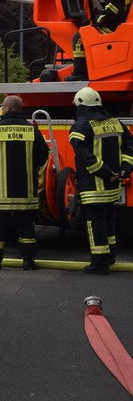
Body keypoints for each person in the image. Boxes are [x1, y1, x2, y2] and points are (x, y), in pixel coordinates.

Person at [0, 95, 49, 270]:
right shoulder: (32, 130)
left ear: (8, 108)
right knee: (27, 229)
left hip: (1, 192)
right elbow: (42, 157)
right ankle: (29, 261)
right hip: (26, 191)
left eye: (3, 106)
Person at [69, 86, 133, 274]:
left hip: (93, 186)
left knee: (95, 223)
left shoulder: (80, 127)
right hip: (113, 185)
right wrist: (124, 170)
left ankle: (99, 263)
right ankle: (110, 256)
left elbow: (84, 156)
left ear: (80, 105)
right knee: (108, 220)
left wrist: (105, 172)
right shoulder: (117, 123)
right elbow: (129, 148)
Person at [70, 0, 133, 81]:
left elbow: (109, 18)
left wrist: (93, 21)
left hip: (115, 28)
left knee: (79, 37)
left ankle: (80, 73)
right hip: (123, 27)